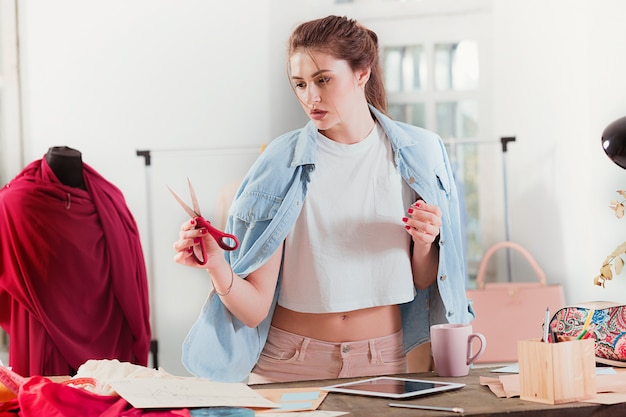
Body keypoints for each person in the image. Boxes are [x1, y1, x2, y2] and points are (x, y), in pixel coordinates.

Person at [173, 15, 473, 384]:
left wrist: (425, 243)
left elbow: (424, 279)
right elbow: (253, 311)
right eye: (300, 84)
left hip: (383, 361)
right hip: (288, 362)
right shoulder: (278, 164)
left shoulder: (420, 154)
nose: (310, 97)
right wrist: (217, 264)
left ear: (362, 72)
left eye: (323, 80)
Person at [0, 146, 151, 376]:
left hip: (108, 347)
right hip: (46, 339)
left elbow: (130, 277)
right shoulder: (14, 203)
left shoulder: (112, 202)